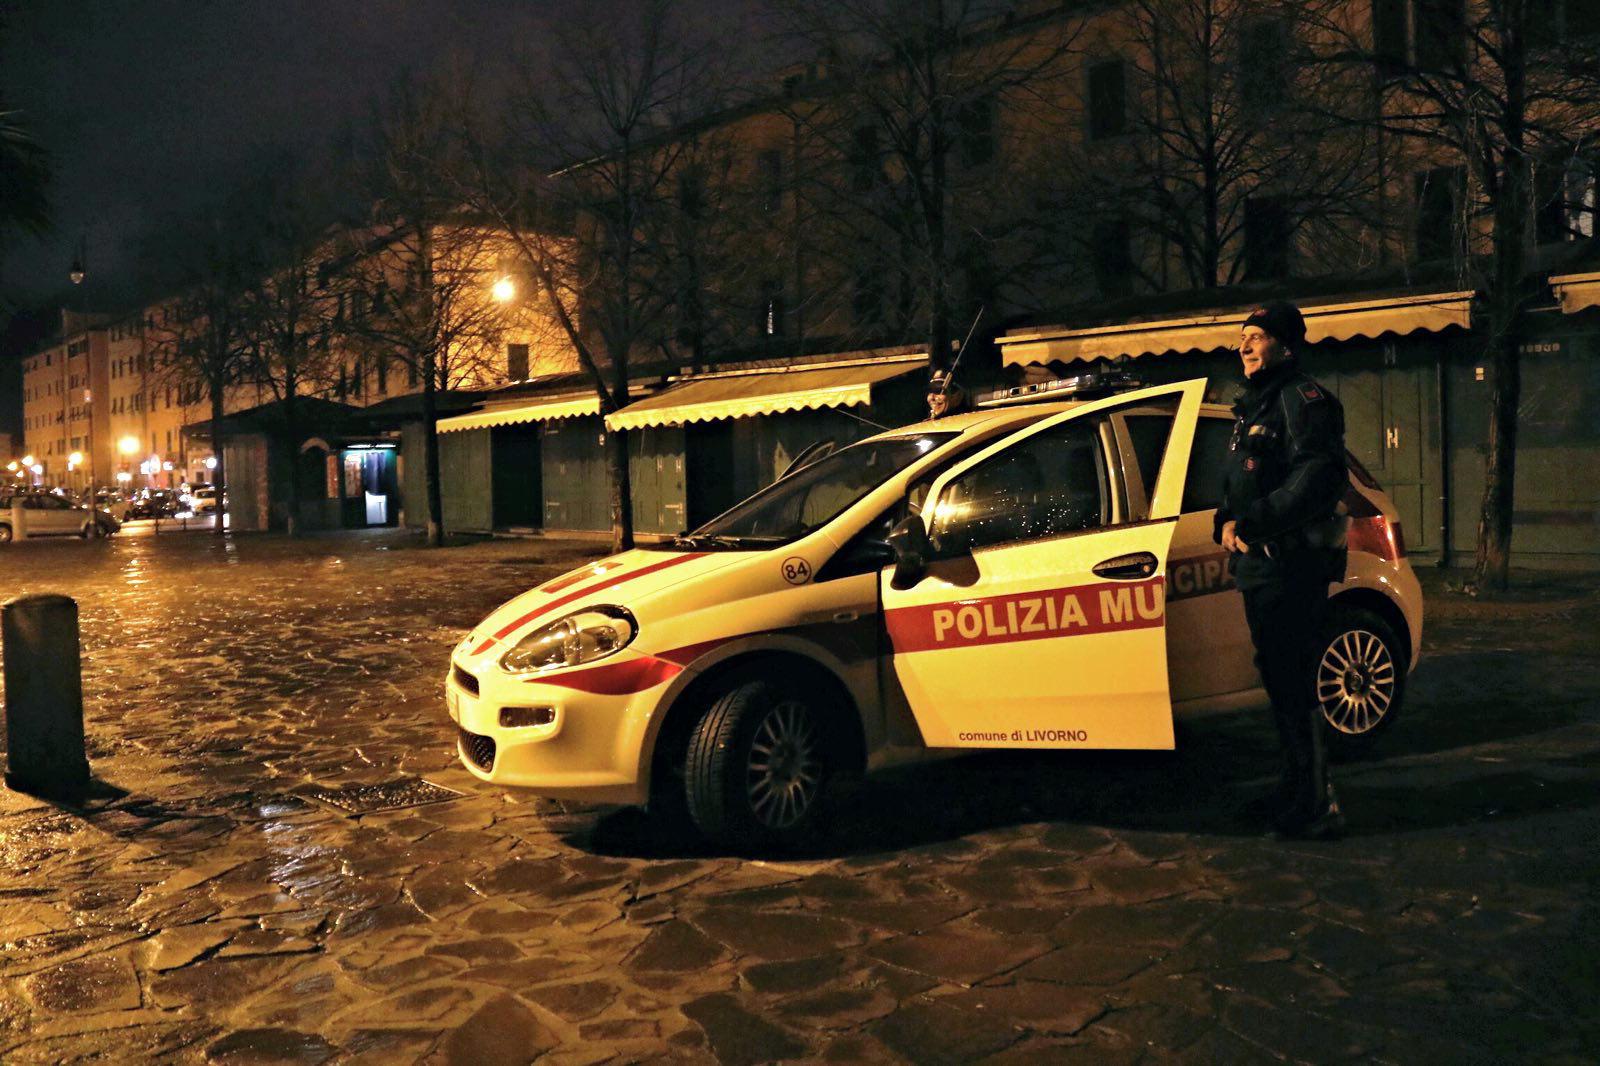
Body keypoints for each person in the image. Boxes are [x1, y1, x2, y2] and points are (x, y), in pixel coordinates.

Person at [1214, 301, 1349, 839]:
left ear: (1286, 346)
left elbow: (1316, 479)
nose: (1244, 345)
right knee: (1278, 677)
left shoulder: (1302, 400)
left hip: (1292, 565)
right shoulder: (1253, 408)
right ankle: (1294, 787)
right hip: (1261, 567)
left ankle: (1317, 802)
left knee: (1294, 680)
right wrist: (1226, 520)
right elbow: (1238, 485)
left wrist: (1253, 521)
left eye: (1257, 336)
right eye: (1241, 336)